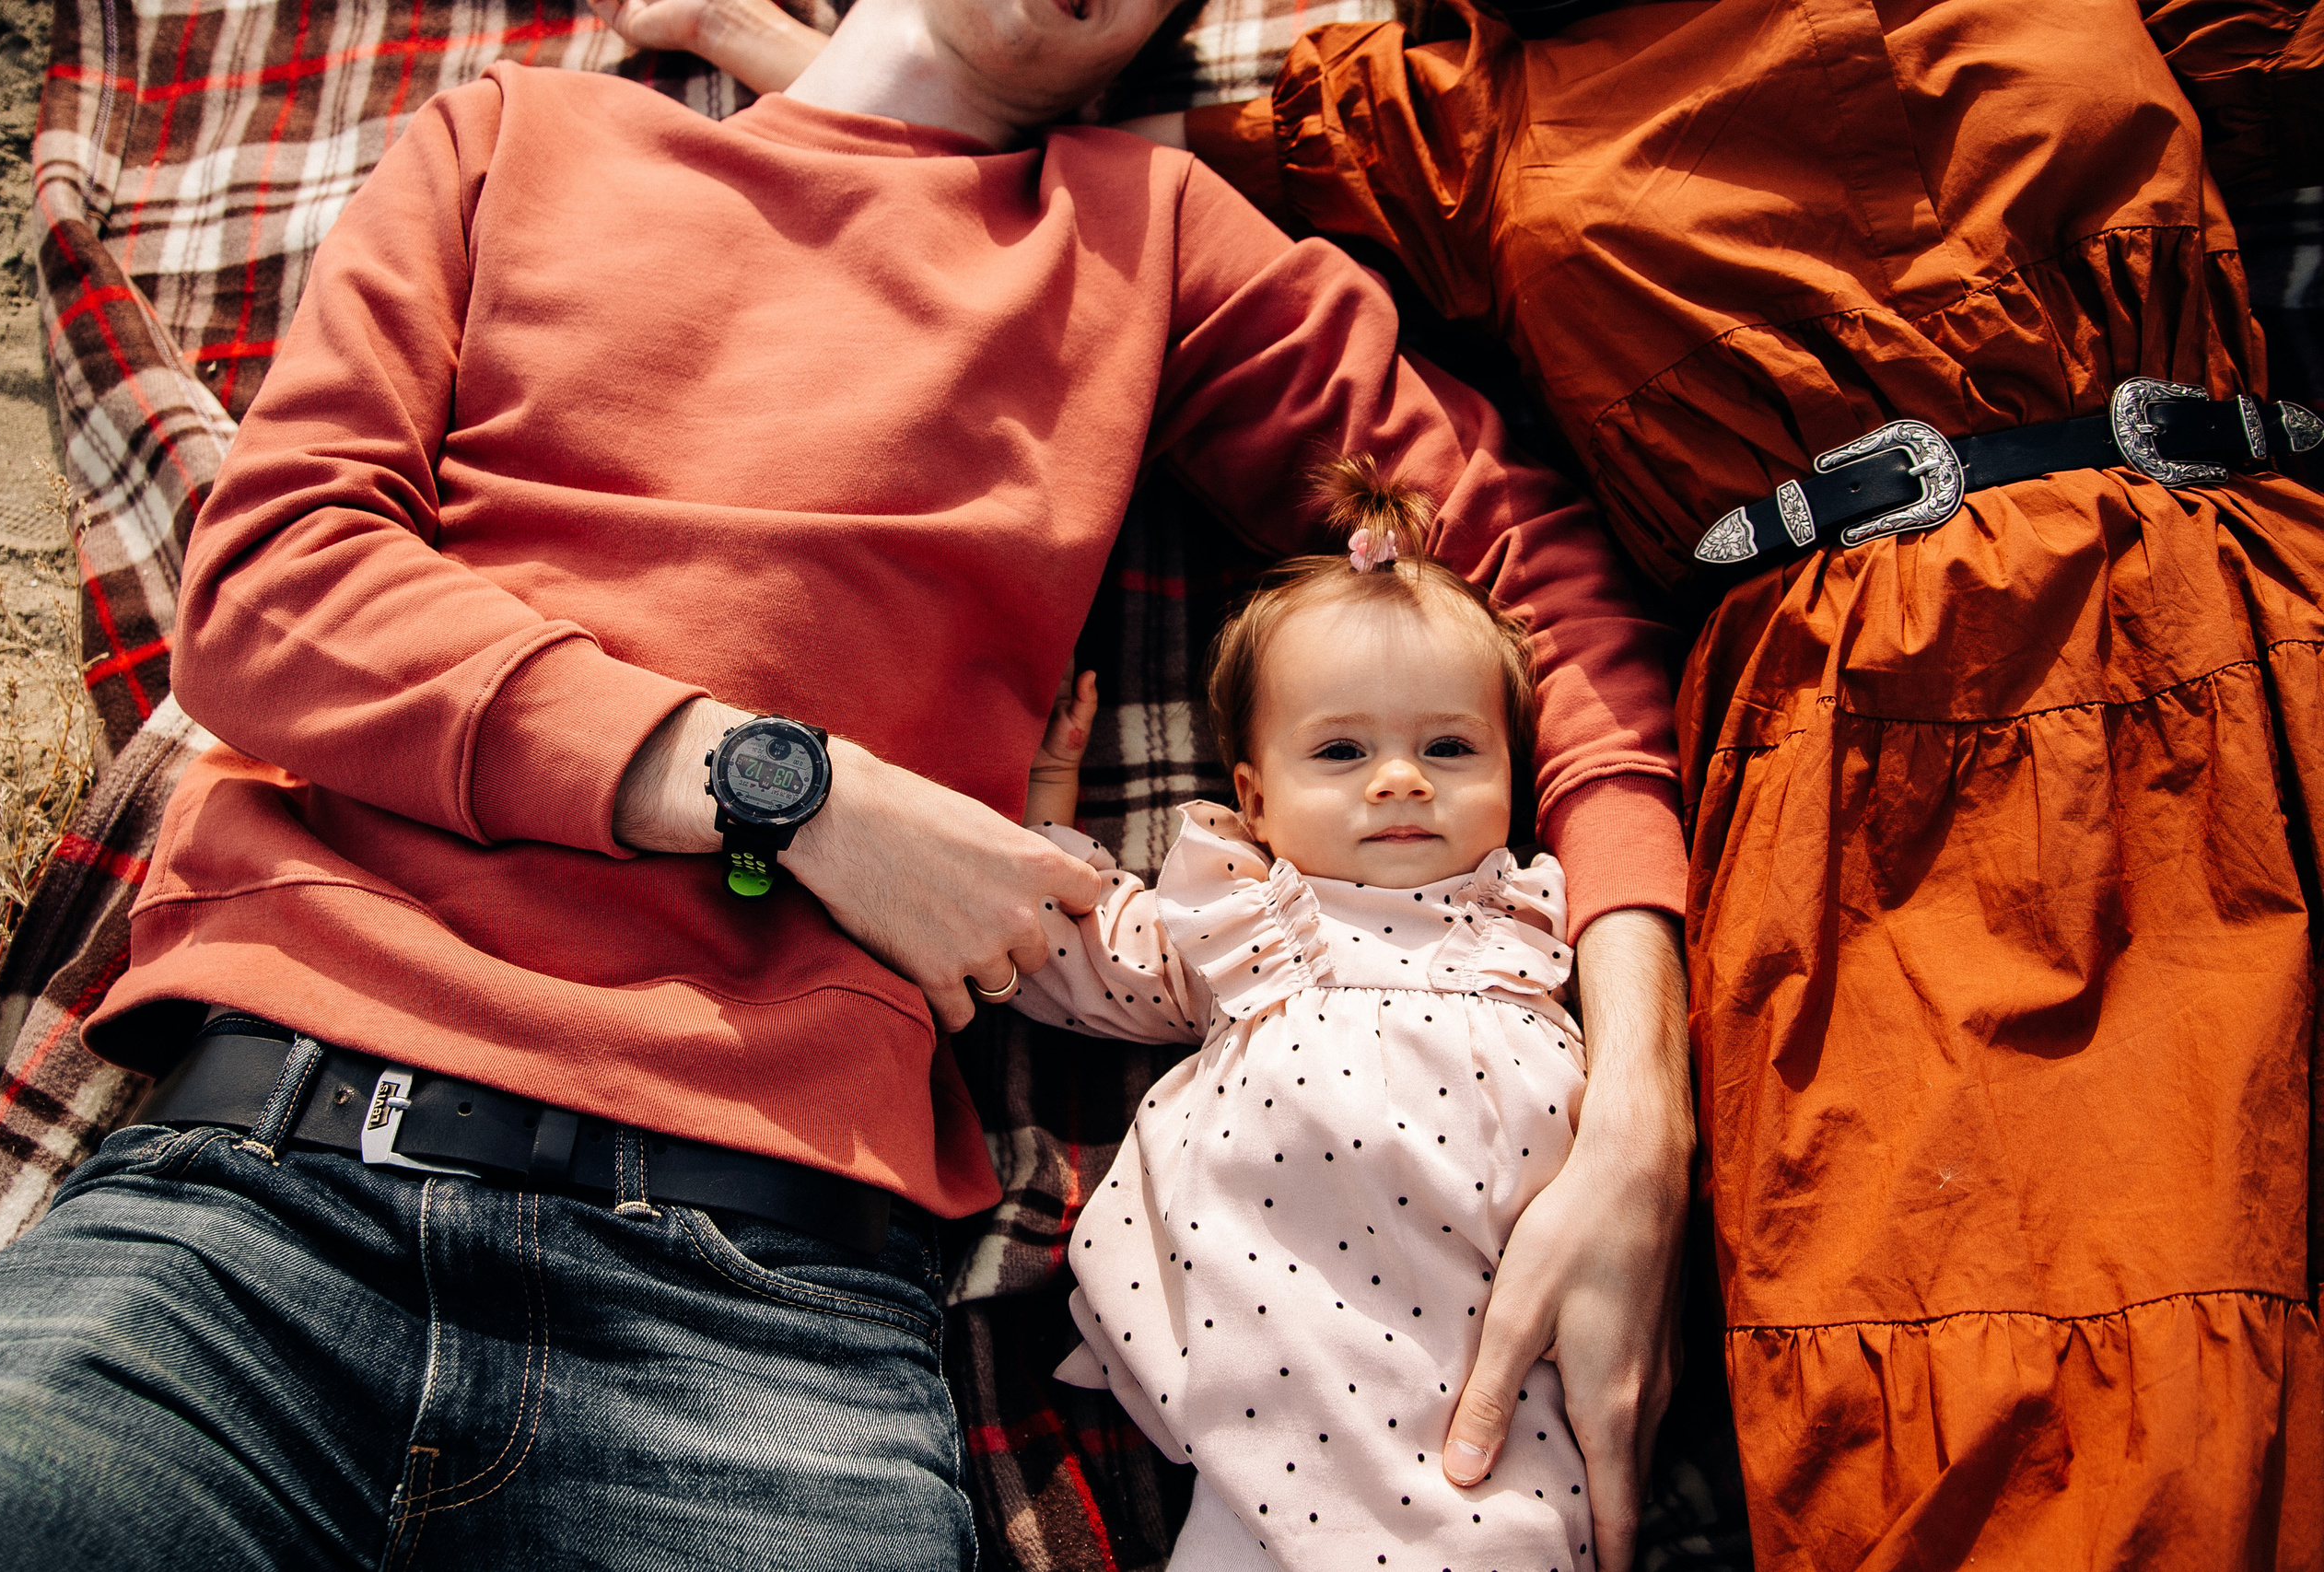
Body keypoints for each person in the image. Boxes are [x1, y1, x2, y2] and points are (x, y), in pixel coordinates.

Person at [0, 0, 1699, 1564]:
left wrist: (1637, 1103)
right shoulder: (517, 133)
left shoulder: (1140, 229)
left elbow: (1535, 583)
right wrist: (786, 790)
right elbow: (269, 588)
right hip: (267, 1197)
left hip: (758, 1321)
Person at [648, 0, 2324, 1563]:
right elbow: (1048, 186)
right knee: (2013, 1388)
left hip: (2256, 611)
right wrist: (817, 56)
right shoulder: (1451, 101)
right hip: (1873, 740)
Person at [1012, 461, 1600, 1571]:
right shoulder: (1249, 930)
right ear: (1254, 796)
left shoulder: (1535, 932)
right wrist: (1051, 791)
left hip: (1492, 1373)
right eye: (1341, 751)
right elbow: (1065, 950)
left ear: (1515, 773)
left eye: (1449, 747)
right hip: (1284, 1387)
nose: (1399, 782)